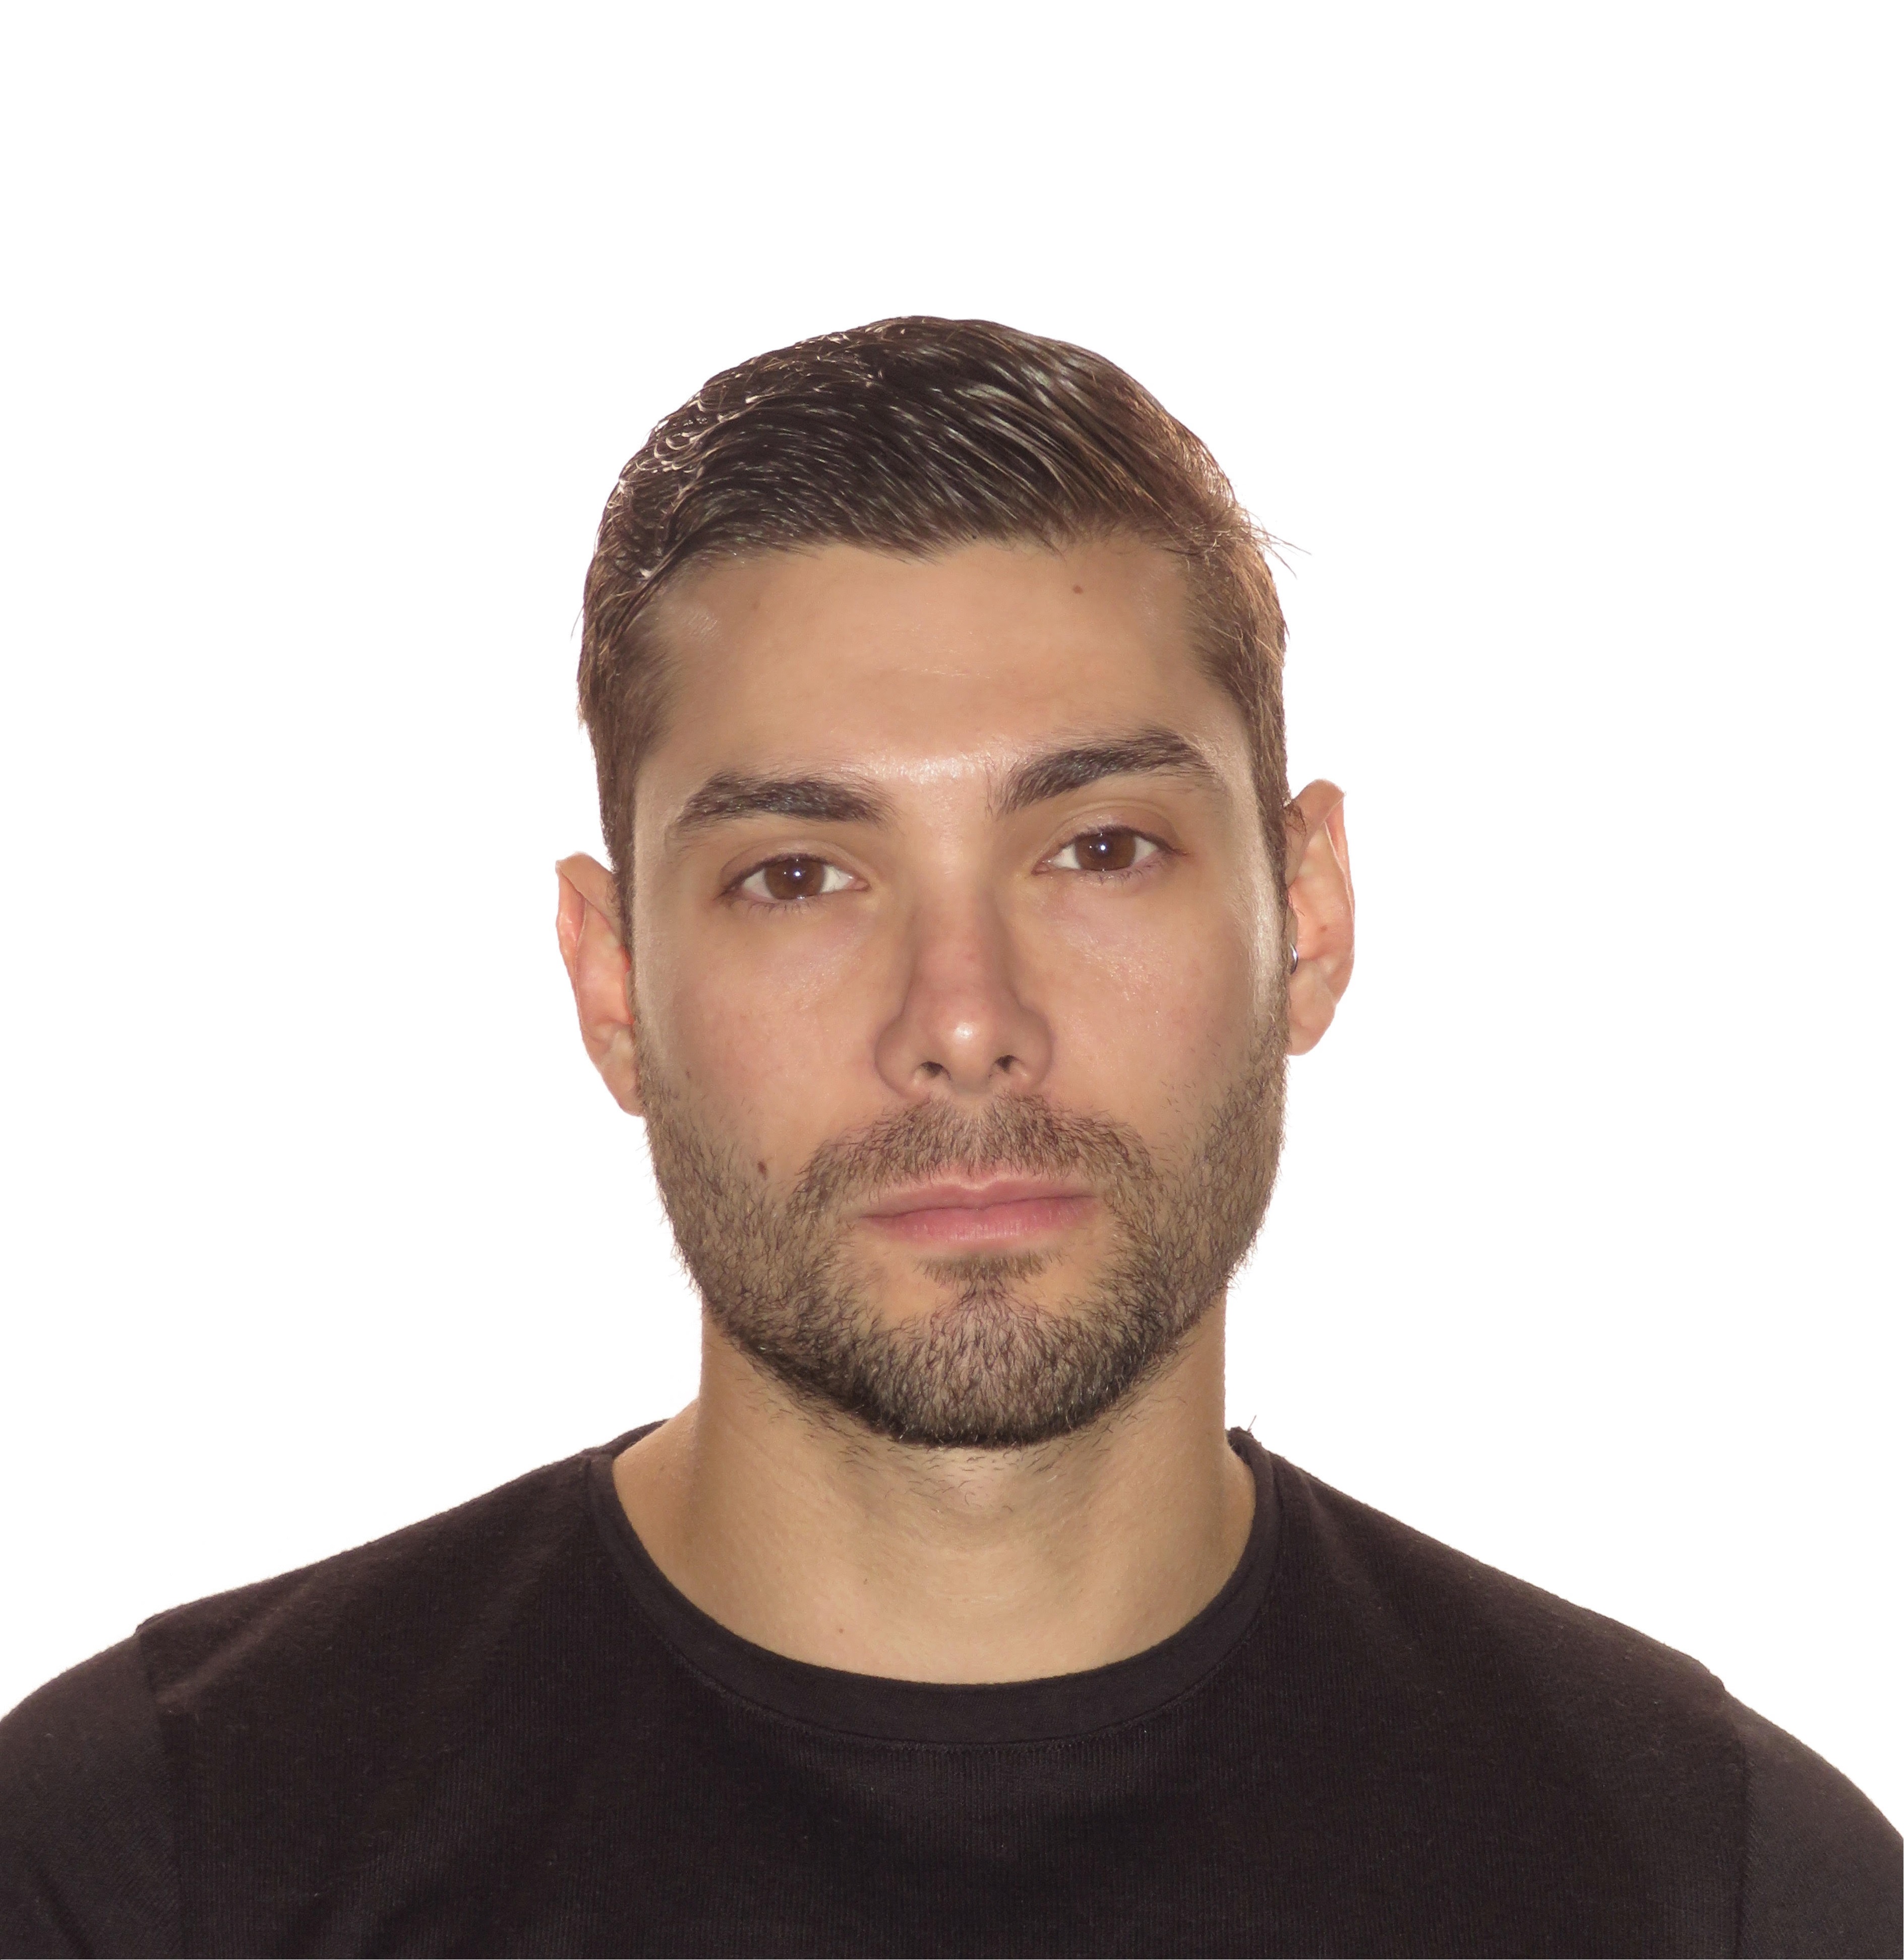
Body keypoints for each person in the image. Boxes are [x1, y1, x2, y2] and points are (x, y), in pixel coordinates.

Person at [1, 318, 1895, 1959]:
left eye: (1100, 849)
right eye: (800, 875)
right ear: (614, 984)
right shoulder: (145, 1874)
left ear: (1308, 916)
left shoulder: (1721, 1894)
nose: (966, 1016)